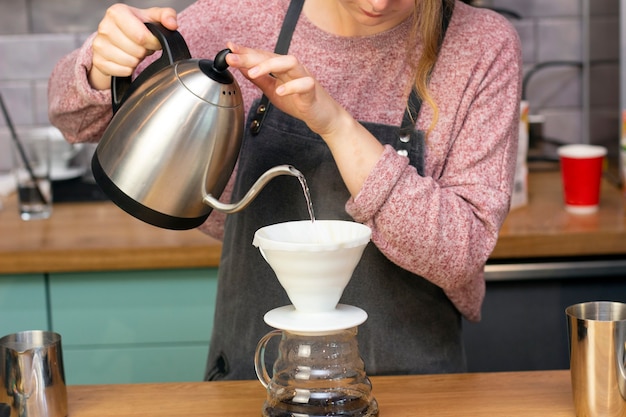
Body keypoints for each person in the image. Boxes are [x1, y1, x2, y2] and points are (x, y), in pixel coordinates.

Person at [48, 0, 522, 380]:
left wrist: (335, 125)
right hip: (254, 376)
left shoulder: (480, 44)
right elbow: (76, 120)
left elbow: (461, 253)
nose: (378, 4)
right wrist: (100, 65)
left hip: (416, 386)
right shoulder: (239, 17)